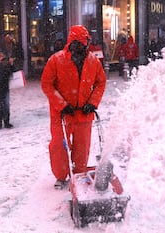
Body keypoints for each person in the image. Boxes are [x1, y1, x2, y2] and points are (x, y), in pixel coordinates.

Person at [41, 25, 107, 189]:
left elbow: (101, 83)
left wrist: (92, 103)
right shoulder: (56, 60)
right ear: (71, 42)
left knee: (82, 146)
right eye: (79, 43)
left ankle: (79, 174)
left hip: (84, 112)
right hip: (61, 114)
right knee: (59, 145)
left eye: (84, 43)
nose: (82, 47)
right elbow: (47, 84)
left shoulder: (93, 61)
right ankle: (61, 176)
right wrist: (61, 105)